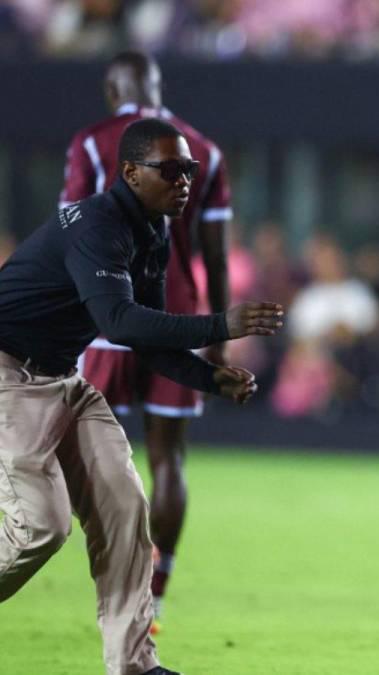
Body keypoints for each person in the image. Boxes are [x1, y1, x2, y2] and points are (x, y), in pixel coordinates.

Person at [0, 118, 283, 675]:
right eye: (170, 170)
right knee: (42, 526)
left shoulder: (152, 230)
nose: (184, 181)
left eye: (189, 169)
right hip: (9, 376)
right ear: (130, 172)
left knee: (126, 510)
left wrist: (209, 378)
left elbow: (145, 338)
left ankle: (133, 664)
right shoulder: (98, 225)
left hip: (60, 378)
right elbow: (118, 321)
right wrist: (220, 325)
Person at [59, 50, 233, 630]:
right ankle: (153, 596)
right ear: (157, 86)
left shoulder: (92, 142)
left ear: (113, 89)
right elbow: (216, 254)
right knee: (169, 461)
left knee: (90, 458)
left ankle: (116, 582)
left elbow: (70, 231)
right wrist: (220, 334)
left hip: (104, 320)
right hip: (177, 321)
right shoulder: (203, 150)